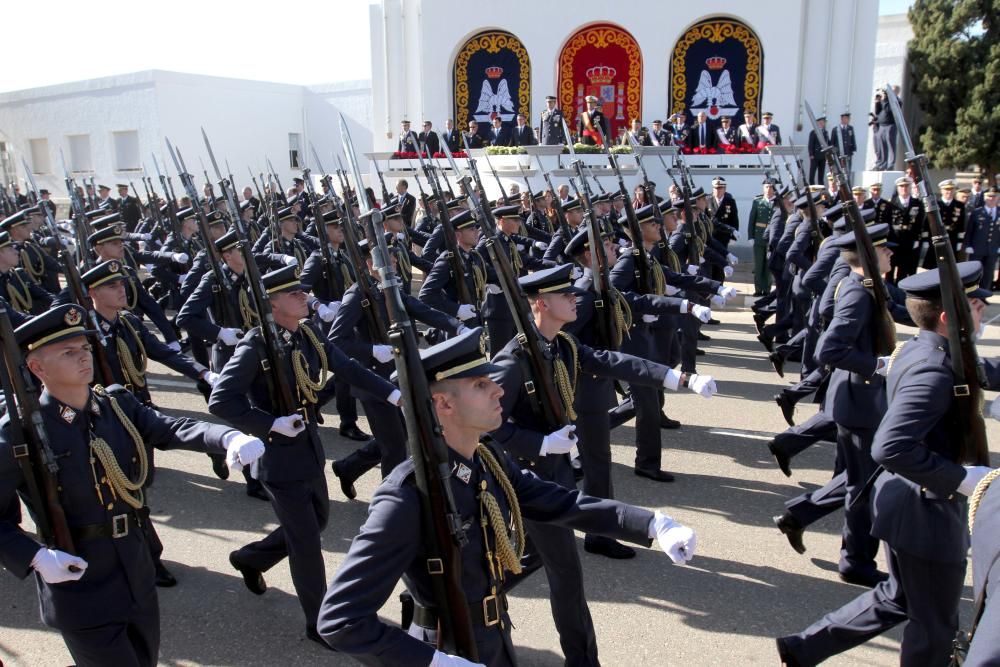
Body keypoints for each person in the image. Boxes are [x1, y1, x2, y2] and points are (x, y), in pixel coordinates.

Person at [317, 326, 698, 666]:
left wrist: (653, 524)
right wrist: (433, 663)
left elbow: (562, 502)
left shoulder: (486, 457)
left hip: (493, 635)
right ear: (443, 404)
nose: (499, 388)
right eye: (480, 385)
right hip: (447, 645)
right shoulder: (407, 495)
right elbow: (340, 619)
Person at [0, 303, 264, 667]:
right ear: (36, 367)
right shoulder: (23, 432)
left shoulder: (115, 404)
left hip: (136, 569)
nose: (83, 358)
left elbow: (170, 427)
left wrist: (227, 437)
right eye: (68, 352)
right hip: (78, 579)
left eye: (85, 349)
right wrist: (35, 558)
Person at [777, 261, 994, 667]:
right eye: (977, 304)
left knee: (898, 598)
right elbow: (890, 446)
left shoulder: (923, 347)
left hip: (905, 506)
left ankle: (803, 648)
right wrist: (963, 479)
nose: (983, 309)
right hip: (926, 512)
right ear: (950, 316)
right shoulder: (934, 369)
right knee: (934, 629)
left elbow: (978, 371)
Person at [209, 264, 402, 643]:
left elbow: (347, 367)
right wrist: (268, 424)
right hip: (278, 456)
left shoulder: (308, 336)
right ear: (273, 303)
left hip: (309, 447)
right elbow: (221, 401)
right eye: (293, 293)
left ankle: (252, 558)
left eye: (301, 291)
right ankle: (320, 622)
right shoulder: (255, 346)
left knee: (317, 523)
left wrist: (393, 394)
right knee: (307, 544)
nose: (303, 297)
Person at [964, 187, 1000, 288]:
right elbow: (970, 230)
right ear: (984, 198)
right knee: (974, 273)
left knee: (988, 273)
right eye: (989, 196)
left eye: (994, 196)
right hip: (977, 248)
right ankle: (972, 294)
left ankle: (984, 295)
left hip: (993, 248)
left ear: (998, 198)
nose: (991, 198)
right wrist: (968, 245)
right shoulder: (977, 212)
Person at [748, 179, 777, 296]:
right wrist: (751, 236)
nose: (769, 189)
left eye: (771, 187)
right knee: (759, 264)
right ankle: (759, 289)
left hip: (772, 237)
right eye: (766, 187)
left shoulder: (778, 202)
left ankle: (767, 289)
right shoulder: (757, 202)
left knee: (768, 265)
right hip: (759, 236)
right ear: (763, 188)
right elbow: (752, 220)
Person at [807, 116, 829, 185]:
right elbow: (810, 144)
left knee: (821, 175)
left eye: (824, 122)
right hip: (815, 156)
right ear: (818, 123)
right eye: (821, 122)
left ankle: (821, 190)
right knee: (812, 175)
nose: (823, 124)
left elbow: (827, 142)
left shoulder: (826, 132)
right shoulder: (813, 132)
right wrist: (811, 154)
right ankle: (812, 188)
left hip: (823, 156)